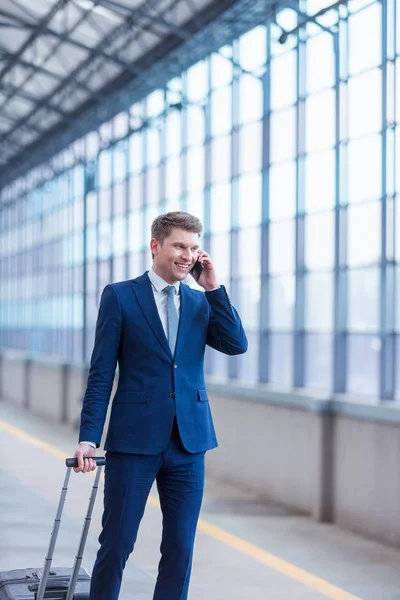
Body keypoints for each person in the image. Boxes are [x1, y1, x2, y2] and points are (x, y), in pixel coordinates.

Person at [73, 211, 248, 600]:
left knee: (180, 550)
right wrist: (89, 438)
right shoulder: (120, 296)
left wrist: (214, 288)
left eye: (194, 247)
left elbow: (236, 344)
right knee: (117, 544)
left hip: (188, 443)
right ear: (156, 246)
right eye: (180, 246)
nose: (188, 255)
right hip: (134, 440)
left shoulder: (201, 303)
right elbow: (101, 373)